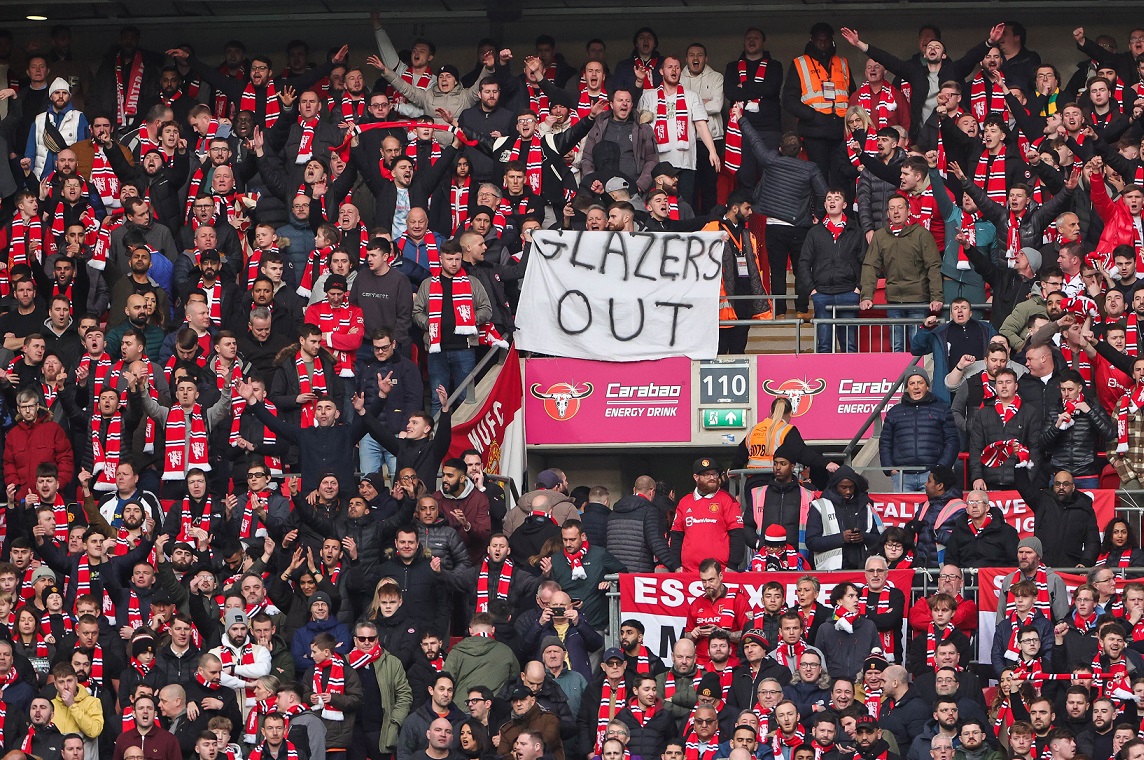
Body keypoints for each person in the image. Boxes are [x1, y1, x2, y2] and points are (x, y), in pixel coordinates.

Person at [879, 368, 959, 493]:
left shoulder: (942, 409)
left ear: (927, 386)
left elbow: (952, 440)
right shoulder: (894, 412)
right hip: (902, 476)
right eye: (912, 383)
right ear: (906, 388)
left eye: (920, 382)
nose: (916, 387)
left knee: (931, 511)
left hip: (932, 475)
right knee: (902, 513)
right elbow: (885, 442)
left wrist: (941, 468)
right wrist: (890, 469)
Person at [670, 458, 746, 572]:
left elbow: (737, 535)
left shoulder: (727, 500)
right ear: (696, 477)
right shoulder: (684, 502)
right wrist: (676, 565)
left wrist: (732, 565)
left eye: (714, 474)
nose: (712, 478)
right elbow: (676, 536)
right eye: (707, 475)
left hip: (720, 572)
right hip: (688, 571)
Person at [806, 465, 881, 570]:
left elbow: (879, 539)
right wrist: (841, 538)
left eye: (851, 487)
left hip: (862, 568)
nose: (848, 491)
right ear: (835, 486)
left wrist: (863, 537)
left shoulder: (865, 506)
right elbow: (811, 542)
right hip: (830, 569)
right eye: (843, 487)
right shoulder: (819, 506)